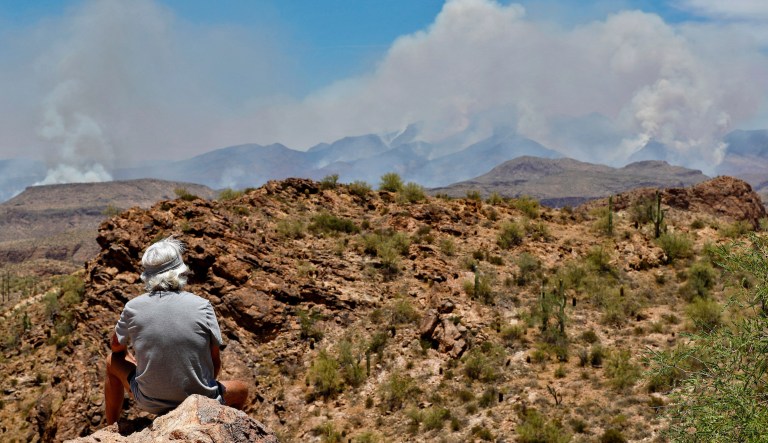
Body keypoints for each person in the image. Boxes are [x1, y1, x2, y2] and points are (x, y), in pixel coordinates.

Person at [104, 237, 248, 425]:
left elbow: (116, 347)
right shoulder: (202, 305)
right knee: (242, 389)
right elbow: (215, 362)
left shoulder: (133, 307)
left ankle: (111, 426)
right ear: (179, 270)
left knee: (111, 361)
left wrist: (131, 357)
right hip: (200, 400)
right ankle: (221, 426)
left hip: (149, 401)